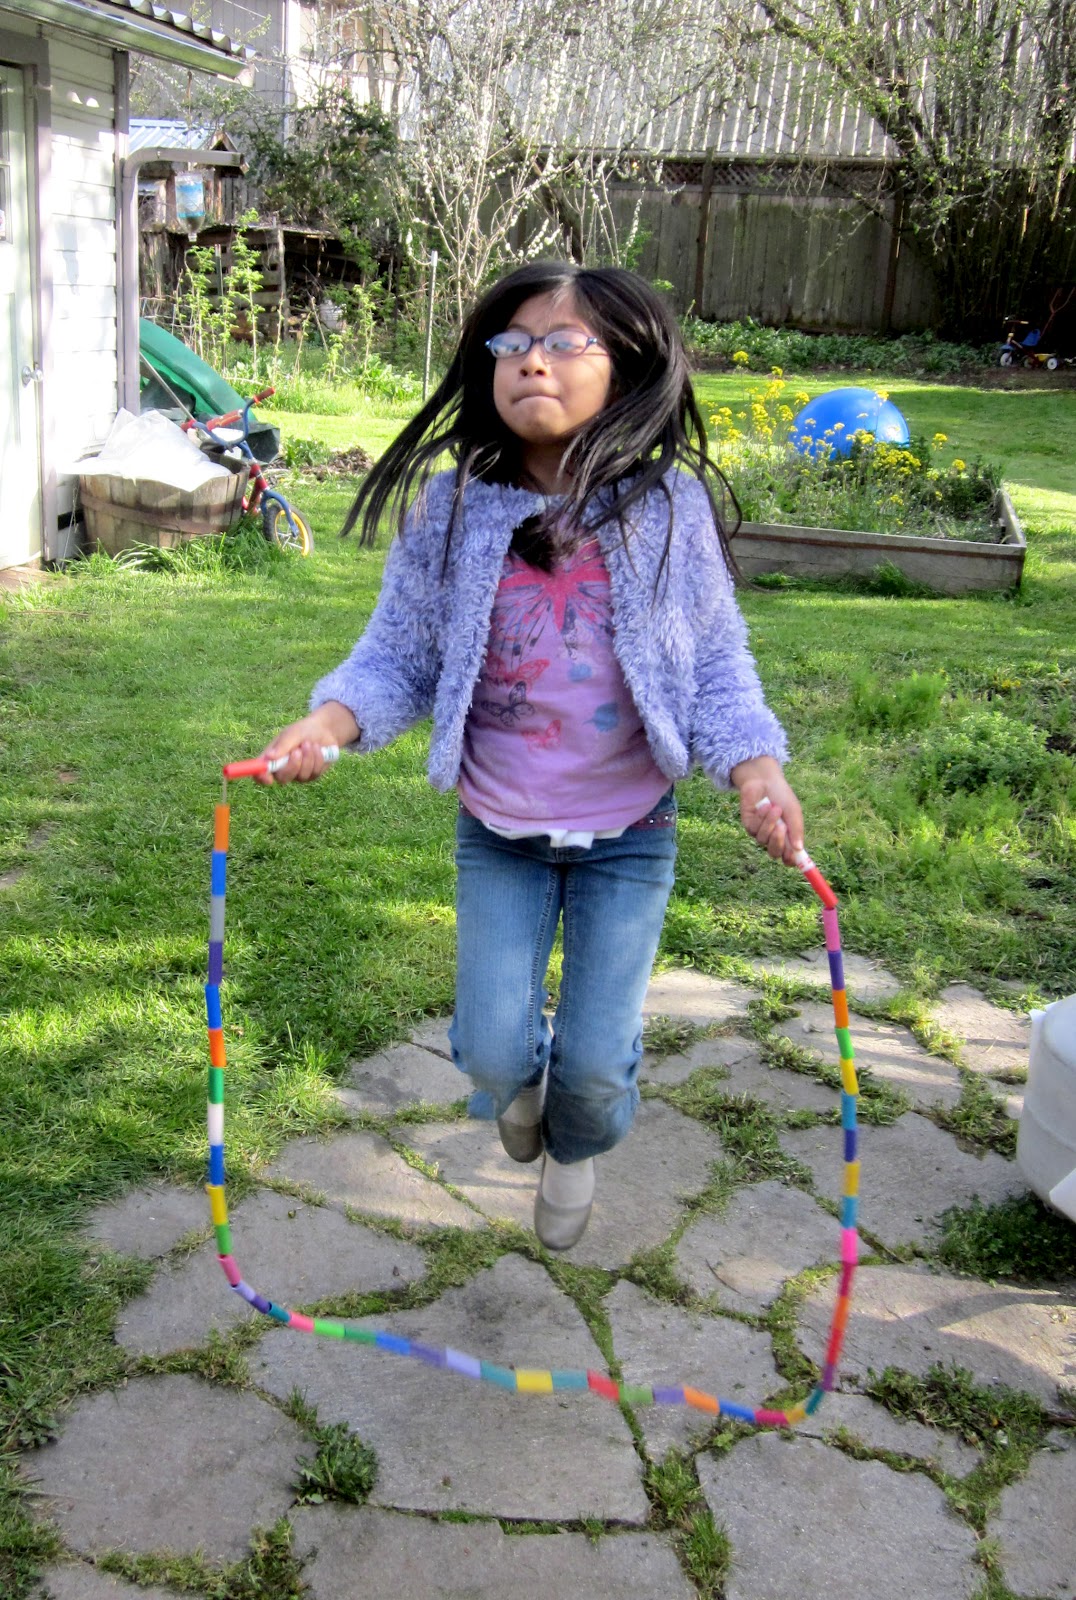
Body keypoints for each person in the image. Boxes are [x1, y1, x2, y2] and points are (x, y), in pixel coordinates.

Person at [257, 261, 805, 1251]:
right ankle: (513, 1092)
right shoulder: (453, 507)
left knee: (594, 1069)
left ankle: (577, 1141)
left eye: (562, 343)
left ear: (626, 368)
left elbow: (715, 660)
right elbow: (398, 649)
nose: (528, 363)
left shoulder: (664, 511)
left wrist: (753, 769)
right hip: (499, 831)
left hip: (628, 833)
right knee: (490, 1050)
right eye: (509, 344)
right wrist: (328, 723)